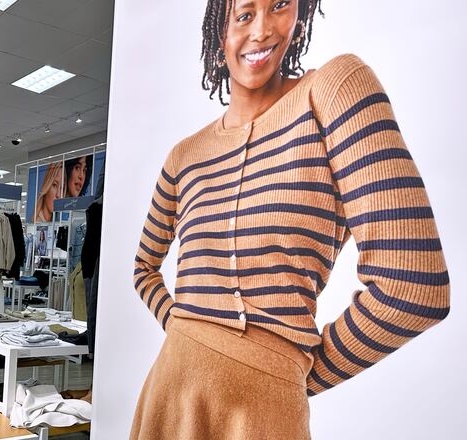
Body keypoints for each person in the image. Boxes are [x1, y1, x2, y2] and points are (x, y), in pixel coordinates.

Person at [131, 1, 450, 439]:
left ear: (299, 12)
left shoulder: (334, 89)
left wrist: (286, 370)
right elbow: (143, 268)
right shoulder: (184, 155)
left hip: (265, 412)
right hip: (170, 394)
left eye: (279, 5)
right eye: (244, 14)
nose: (262, 30)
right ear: (218, 32)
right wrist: (189, 337)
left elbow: (414, 284)